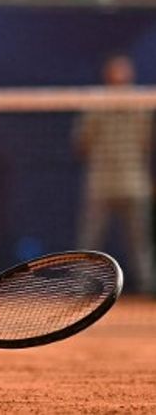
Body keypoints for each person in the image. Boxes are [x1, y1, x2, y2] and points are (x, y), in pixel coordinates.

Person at [74, 54, 154, 295]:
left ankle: (149, 289)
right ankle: (81, 288)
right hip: (101, 185)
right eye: (115, 71)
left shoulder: (142, 105)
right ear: (107, 75)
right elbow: (81, 143)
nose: (120, 76)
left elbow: (146, 144)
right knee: (89, 243)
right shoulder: (94, 104)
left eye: (124, 71)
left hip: (134, 184)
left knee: (140, 244)